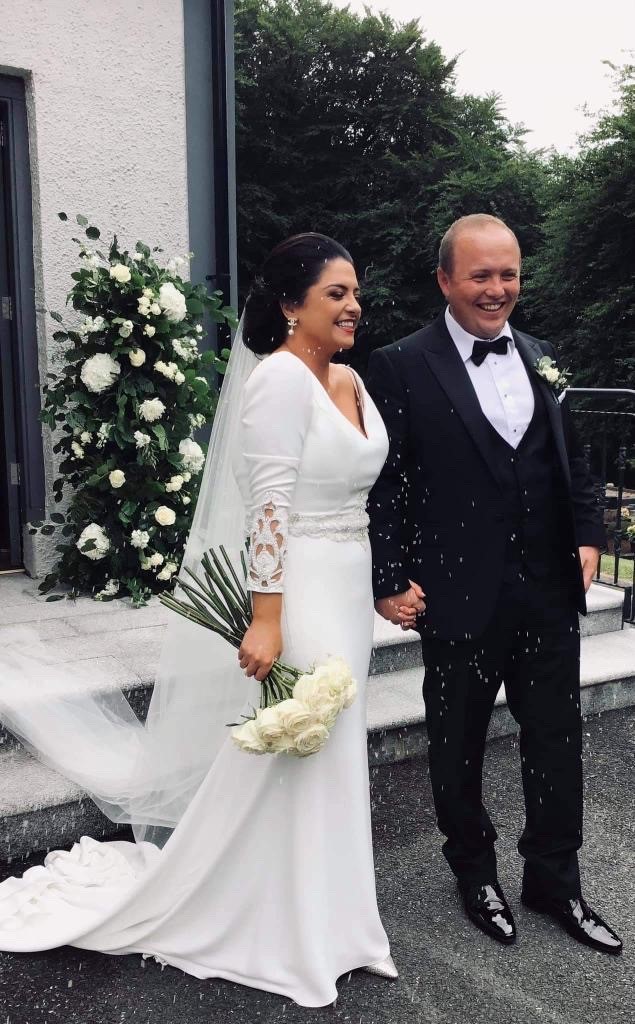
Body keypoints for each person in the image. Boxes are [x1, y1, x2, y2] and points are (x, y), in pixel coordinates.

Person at [0, 234, 415, 1006]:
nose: (353, 304)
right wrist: (265, 620)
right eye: (335, 293)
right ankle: (273, 922)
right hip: (296, 592)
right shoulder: (278, 384)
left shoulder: (352, 380)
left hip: (348, 584)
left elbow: (364, 491)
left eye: (356, 291)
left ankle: (337, 920)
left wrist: (384, 584)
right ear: (292, 305)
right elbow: (268, 512)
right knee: (298, 746)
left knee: (331, 751)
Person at [367, 214, 623, 954]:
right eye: (480, 274)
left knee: (555, 737)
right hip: (457, 589)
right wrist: (387, 578)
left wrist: (586, 534)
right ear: (445, 279)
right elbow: (384, 482)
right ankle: (472, 871)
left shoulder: (541, 354)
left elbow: (568, 460)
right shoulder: (400, 363)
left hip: (544, 589)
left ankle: (553, 879)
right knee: (458, 742)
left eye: (507, 273)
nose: (496, 289)